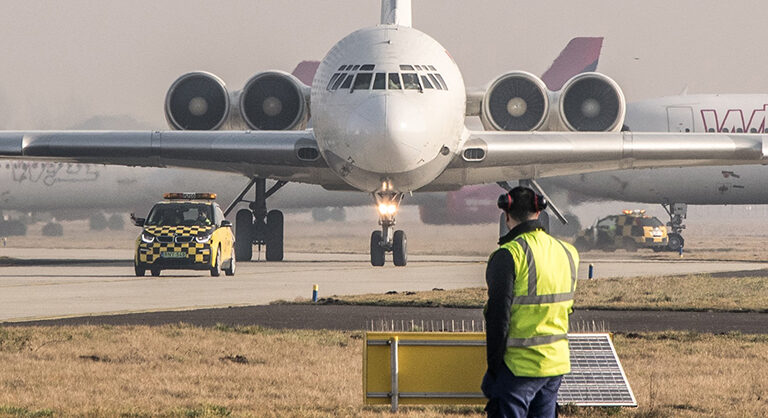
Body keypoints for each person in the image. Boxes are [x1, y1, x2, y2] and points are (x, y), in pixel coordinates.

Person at [482, 186, 579, 418]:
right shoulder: (568, 252)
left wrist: (494, 368)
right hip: (555, 363)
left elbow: (498, 317)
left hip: (519, 367)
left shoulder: (509, 255)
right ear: (539, 212)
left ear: (507, 216)